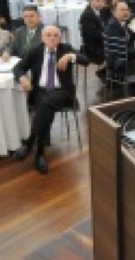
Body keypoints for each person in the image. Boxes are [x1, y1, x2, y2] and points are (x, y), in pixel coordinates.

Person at [13, 26, 87, 174]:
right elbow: (18, 67)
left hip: (62, 92)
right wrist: (22, 78)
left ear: (60, 38)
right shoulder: (36, 51)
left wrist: (71, 57)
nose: (52, 38)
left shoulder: (66, 48)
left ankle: (30, 143)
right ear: (42, 38)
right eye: (48, 35)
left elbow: (86, 60)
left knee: (46, 103)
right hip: (41, 90)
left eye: (56, 36)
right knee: (45, 106)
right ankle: (39, 152)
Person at [79, 0, 109, 73]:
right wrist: (107, 36)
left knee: (117, 48)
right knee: (115, 52)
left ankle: (108, 75)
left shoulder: (99, 11)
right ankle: (105, 75)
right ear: (91, 1)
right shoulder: (87, 15)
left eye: (102, 1)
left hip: (99, 43)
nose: (100, 3)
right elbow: (92, 34)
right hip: (92, 49)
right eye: (97, 0)